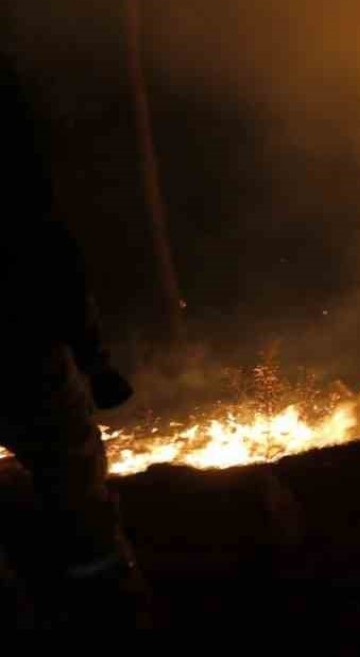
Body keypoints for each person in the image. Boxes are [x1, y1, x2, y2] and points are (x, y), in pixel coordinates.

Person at [1, 48, 148, 627]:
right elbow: (48, 254)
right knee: (74, 480)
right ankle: (110, 610)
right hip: (20, 348)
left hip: (21, 338)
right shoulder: (16, 170)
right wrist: (96, 362)